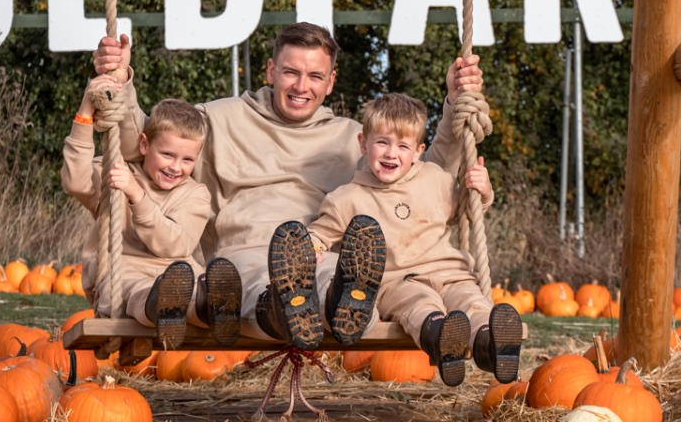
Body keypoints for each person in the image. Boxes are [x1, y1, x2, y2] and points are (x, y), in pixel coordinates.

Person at [91, 23, 484, 349]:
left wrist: (454, 108)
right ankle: (280, 309)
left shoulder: (355, 139)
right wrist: (120, 81)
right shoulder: (218, 119)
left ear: (330, 82)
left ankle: (336, 308)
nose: (301, 86)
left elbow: (420, 180)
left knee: (336, 280)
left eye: (315, 76)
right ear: (270, 71)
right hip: (247, 252)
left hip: (321, 252)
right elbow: (145, 143)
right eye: (291, 72)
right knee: (255, 283)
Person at [299, 93, 521, 386]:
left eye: (403, 146)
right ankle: (442, 342)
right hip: (396, 283)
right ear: (364, 144)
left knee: (473, 303)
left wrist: (481, 189)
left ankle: (491, 345)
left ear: (418, 151)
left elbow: (467, 212)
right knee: (419, 306)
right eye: (382, 142)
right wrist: (310, 248)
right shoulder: (346, 199)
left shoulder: (435, 180)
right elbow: (320, 234)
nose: (392, 154)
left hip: (452, 274)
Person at [62, 76, 231, 349]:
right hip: (122, 272)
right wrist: (84, 114)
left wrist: (137, 196)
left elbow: (176, 244)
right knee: (137, 291)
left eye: (187, 159)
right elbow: (75, 180)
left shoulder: (196, 195)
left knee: (193, 288)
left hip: (177, 272)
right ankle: (164, 307)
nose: (176, 167)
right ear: (144, 145)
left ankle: (214, 309)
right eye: (167, 154)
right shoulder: (119, 175)